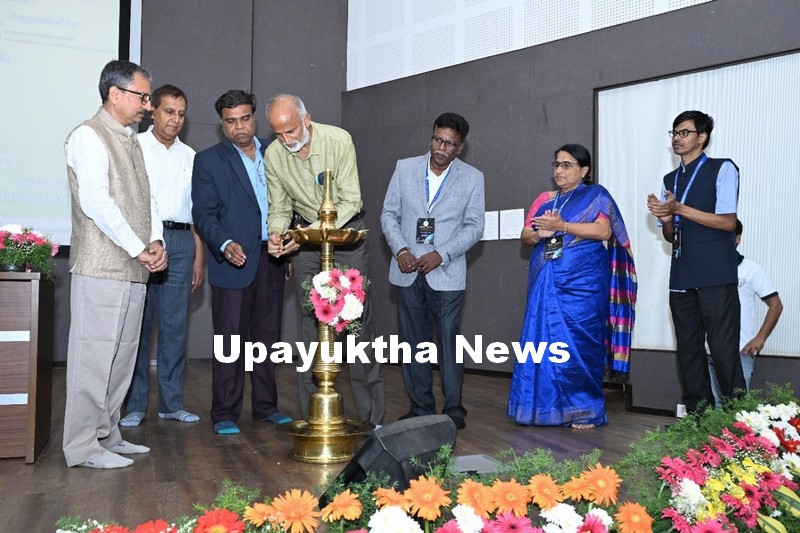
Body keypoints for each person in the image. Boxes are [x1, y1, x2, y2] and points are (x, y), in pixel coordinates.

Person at [63, 59, 167, 469]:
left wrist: (155, 241)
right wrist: (138, 248)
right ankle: (82, 447)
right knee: (93, 360)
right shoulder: (88, 135)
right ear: (115, 94)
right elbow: (96, 202)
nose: (148, 105)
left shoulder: (132, 139)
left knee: (122, 358)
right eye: (143, 97)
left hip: (133, 268)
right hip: (101, 267)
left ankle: (107, 435)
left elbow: (147, 199)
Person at [265, 94, 385, 427]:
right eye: (278, 134)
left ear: (307, 119)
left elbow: (351, 200)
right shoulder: (273, 155)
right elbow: (279, 208)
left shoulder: (338, 140)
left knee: (357, 327)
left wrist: (308, 232)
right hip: (307, 245)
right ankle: (313, 419)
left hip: (346, 236)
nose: (286, 140)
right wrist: (277, 233)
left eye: (291, 131)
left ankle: (373, 422)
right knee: (310, 326)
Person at [507, 144, 636, 429]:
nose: (559, 171)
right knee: (543, 343)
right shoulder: (545, 200)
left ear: (584, 169)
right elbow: (526, 235)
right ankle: (542, 407)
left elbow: (603, 231)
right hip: (547, 280)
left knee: (580, 343)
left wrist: (563, 226)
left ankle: (585, 410)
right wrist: (540, 233)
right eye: (556, 164)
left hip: (584, 283)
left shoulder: (596, 195)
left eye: (567, 165)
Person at [192, 90, 291, 435]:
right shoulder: (208, 161)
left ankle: (265, 406)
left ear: (254, 118)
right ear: (222, 124)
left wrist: (290, 243)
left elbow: (291, 202)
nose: (239, 127)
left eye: (245, 118)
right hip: (232, 259)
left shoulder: (277, 152)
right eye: (231, 121)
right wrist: (224, 243)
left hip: (273, 258)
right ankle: (224, 412)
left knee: (268, 338)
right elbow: (203, 214)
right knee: (230, 340)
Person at [380, 112, 485, 430]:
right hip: (407, 269)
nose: (441, 148)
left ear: (460, 147)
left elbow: (474, 226)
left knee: (449, 343)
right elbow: (389, 214)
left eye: (449, 144)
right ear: (432, 137)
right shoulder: (404, 167)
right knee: (413, 343)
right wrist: (401, 250)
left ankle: (453, 409)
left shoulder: (473, 177)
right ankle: (421, 407)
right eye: (437, 140)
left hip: (447, 273)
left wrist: (442, 254)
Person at [647, 110, 745, 413]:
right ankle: (698, 421)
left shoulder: (723, 168)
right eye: (674, 133)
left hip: (715, 274)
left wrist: (679, 209)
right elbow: (670, 236)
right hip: (681, 275)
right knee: (689, 353)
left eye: (684, 133)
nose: (677, 138)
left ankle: (739, 423)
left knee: (724, 352)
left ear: (702, 137)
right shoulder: (670, 179)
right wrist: (666, 218)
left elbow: (728, 222)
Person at [120, 85, 203, 428]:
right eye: (169, 111)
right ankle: (135, 405)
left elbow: (197, 212)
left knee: (174, 327)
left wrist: (198, 259)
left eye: (181, 114)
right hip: (142, 242)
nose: (175, 119)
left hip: (182, 242)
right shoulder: (134, 147)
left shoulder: (191, 156)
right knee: (138, 327)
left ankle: (172, 404)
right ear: (152, 109)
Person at [709, 219, 783, 406]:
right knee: (714, 407)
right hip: (708, 350)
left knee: (738, 406)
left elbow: (776, 305)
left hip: (741, 351)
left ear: (737, 238)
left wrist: (760, 338)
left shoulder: (751, 270)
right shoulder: (706, 269)